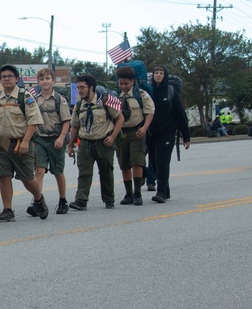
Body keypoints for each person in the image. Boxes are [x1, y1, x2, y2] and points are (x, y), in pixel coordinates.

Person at [0, 64, 49, 222]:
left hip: (21, 144)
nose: (7, 79)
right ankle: (7, 210)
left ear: (17, 79)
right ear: (0, 80)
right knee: (4, 176)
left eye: (10, 76)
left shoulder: (25, 97)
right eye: (3, 77)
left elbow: (34, 120)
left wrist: (26, 141)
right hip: (2, 145)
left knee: (27, 178)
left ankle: (39, 200)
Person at [67, 74, 124, 210]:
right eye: (78, 88)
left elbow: (120, 119)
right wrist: (70, 145)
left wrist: (112, 137)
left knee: (106, 172)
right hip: (85, 142)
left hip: (104, 142)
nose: (80, 91)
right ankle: (81, 200)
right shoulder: (79, 105)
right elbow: (75, 126)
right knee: (84, 173)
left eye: (83, 87)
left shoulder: (105, 101)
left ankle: (109, 199)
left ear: (91, 87)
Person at [146, 66, 191, 203]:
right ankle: (166, 190)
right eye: (156, 73)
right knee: (153, 163)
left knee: (162, 162)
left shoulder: (171, 92)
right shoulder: (149, 92)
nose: (158, 75)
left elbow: (180, 114)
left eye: (161, 73)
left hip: (167, 133)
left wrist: (186, 136)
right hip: (151, 133)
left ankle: (161, 192)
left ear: (165, 76)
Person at [30, 67, 71, 215]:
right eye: (42, 79)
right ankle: (37, 201)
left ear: (53, 81)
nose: (45, 81)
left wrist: (61, 138)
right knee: (39, 170)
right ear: (38, 82)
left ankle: (62, 201)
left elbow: (66, 121)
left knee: (58, 171)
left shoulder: (60, 99)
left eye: (47, 79)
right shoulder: (35, 99)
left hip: (56, 139)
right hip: (40, 139)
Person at [115, 65, 155, 206]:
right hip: (121, 133)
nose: (123, 86)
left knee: (137, 161)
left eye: (126, 83)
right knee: (124, 163)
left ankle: (137, 193)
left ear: (132, 81)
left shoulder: (141, 94)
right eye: (121, 83)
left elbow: (150, 111)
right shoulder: (115, 96)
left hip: (136, 131)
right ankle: (128, 194)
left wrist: (144, 128)